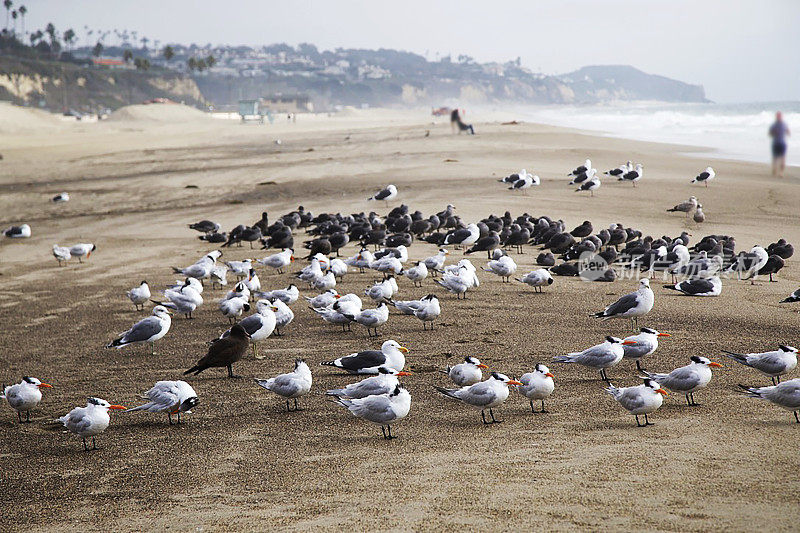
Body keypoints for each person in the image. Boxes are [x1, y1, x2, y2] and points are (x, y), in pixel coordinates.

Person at [769, 111, 790, 177]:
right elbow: (788, 133)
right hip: (779, 143)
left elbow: (770, 134)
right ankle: (778, 171)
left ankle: (778, 171)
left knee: (779, 158)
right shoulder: (782, 124)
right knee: (778, 158)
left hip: (778, 143)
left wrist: (775, 134)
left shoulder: (775, 125)